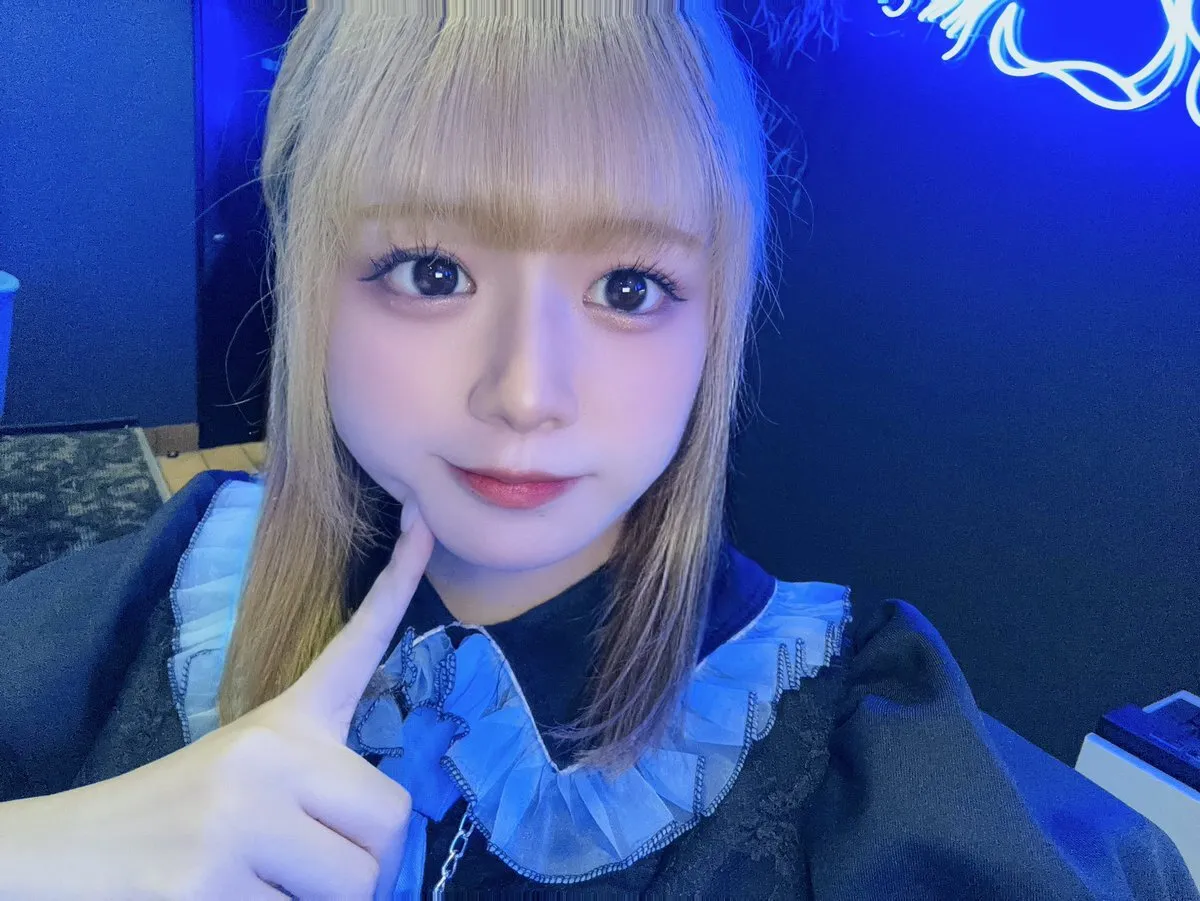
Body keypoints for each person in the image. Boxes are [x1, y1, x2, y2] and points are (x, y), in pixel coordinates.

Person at [1, 2, 1196, 898]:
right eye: (431, 272)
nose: (526, 393)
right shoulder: (151, 600)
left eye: (628, 287)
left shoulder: (861, 772)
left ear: (718, 318)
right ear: (309, 275)